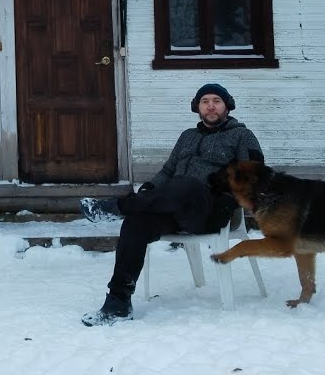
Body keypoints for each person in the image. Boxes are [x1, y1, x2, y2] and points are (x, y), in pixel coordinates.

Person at [78, 83, 264, 326]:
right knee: (137, 223)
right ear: (197, 107)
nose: (210, 106)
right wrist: (149, 190)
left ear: (227, 105)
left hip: (210, 210)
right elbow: (167, 171)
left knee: (186, 184)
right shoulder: (187, 136)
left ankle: (116, 208)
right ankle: (118, 302)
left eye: (216, 101)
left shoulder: (242, 135)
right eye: (205, 101)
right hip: (174, 208)